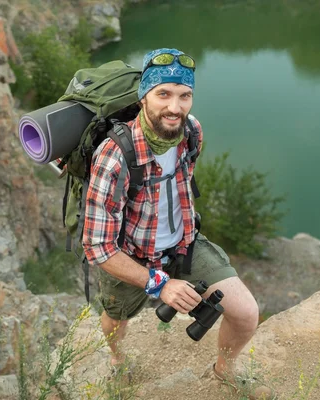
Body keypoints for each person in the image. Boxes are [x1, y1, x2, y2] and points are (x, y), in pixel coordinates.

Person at [81, 48, 273, 399]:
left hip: (183, 245)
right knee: (116, 319)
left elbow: (185, 180)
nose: (175, 107)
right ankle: (116, 358)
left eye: (185, 95)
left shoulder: (191, 131)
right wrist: (159, 284)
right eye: (164, 94)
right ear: (143, 98)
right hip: (131, 253)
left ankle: (223, 371)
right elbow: (97, 246)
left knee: (246, 314)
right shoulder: (114, 156)